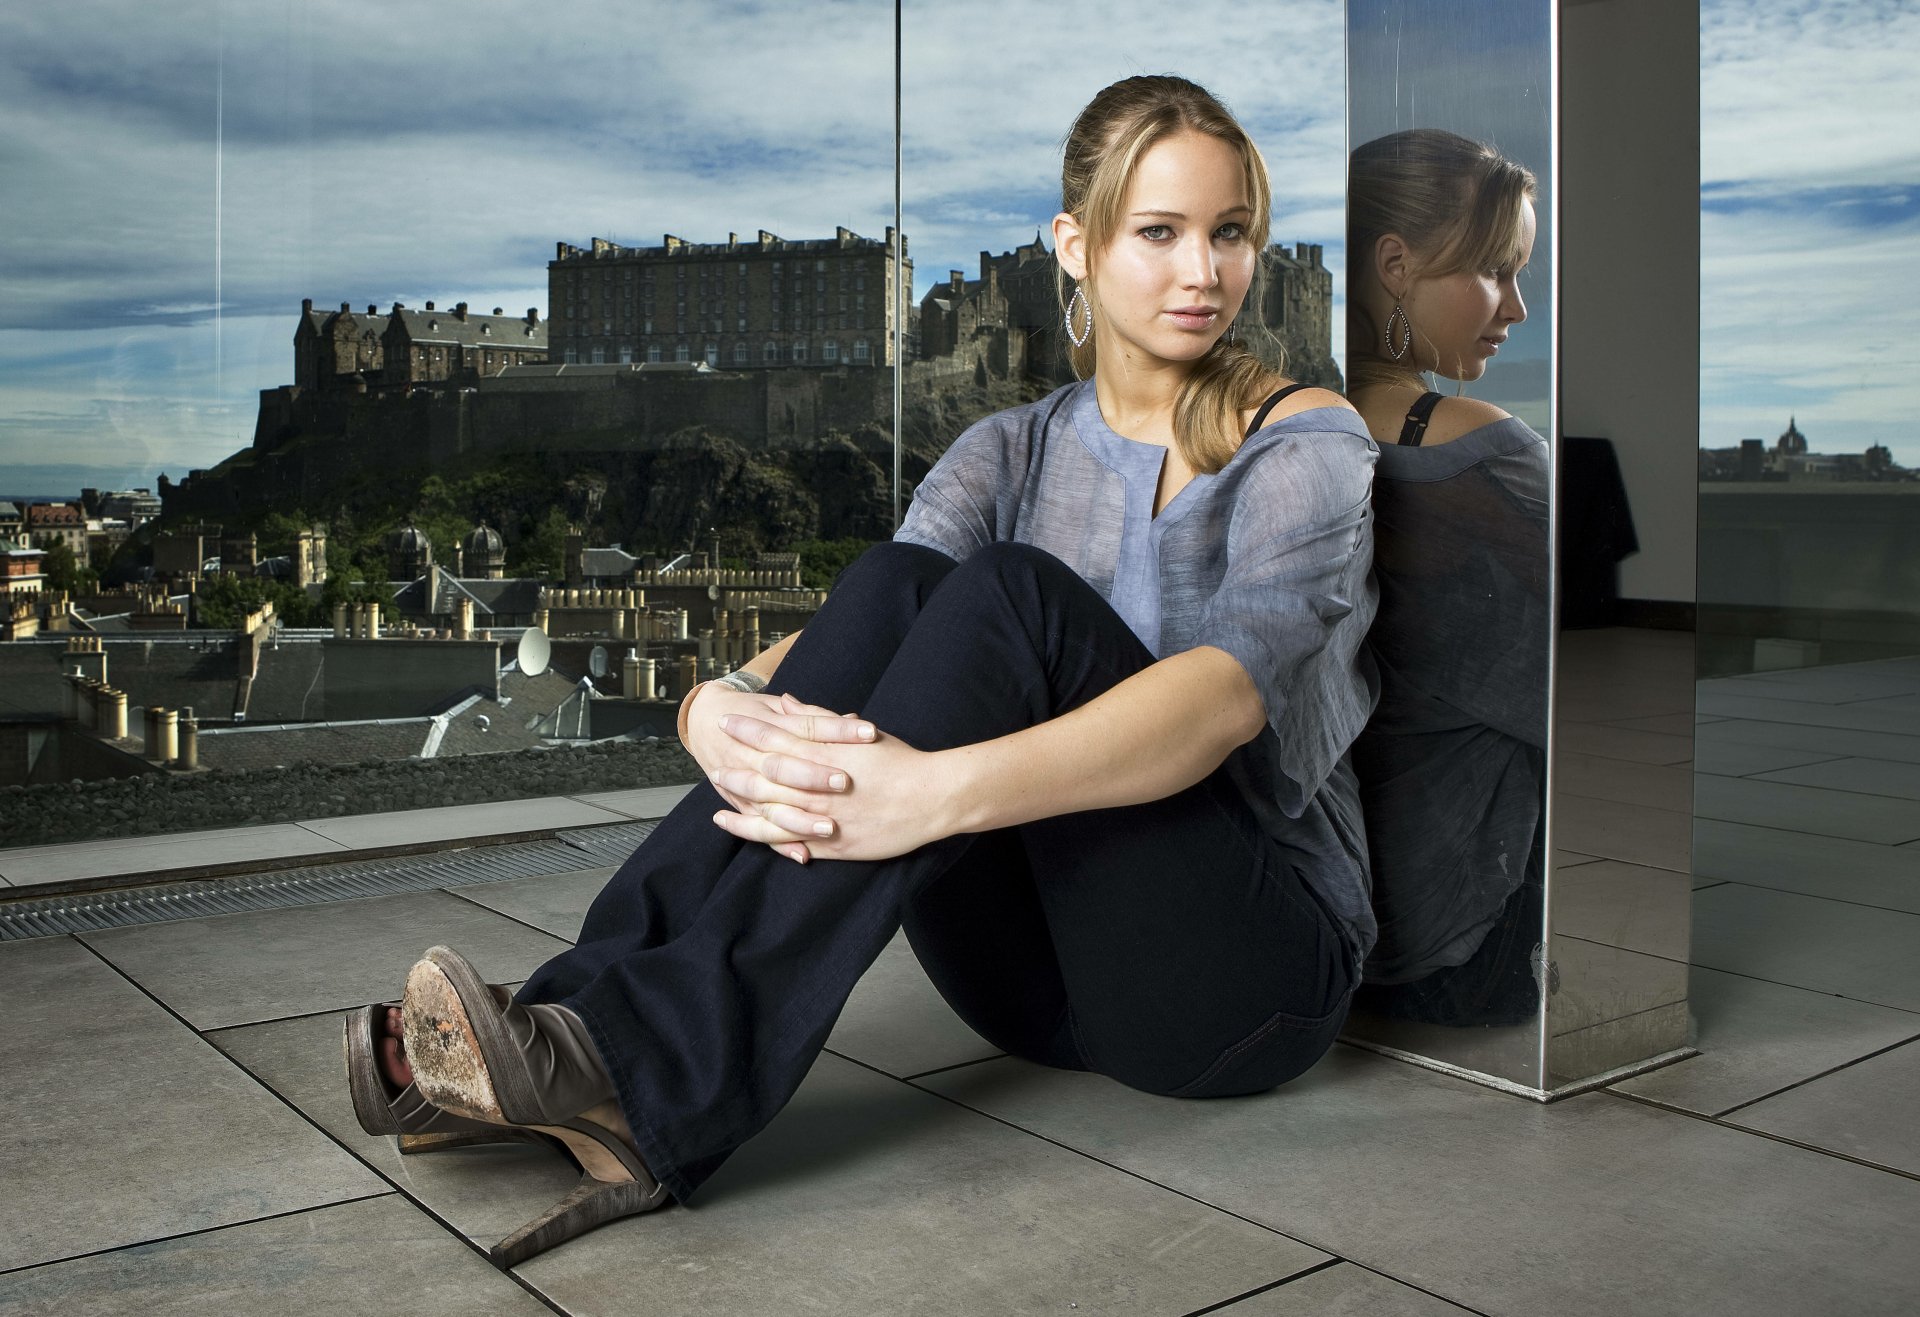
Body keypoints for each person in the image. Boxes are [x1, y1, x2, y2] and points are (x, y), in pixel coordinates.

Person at [345, 75, 1379, 1265]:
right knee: (898, 582)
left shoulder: (1305, 442)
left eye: (1229, 233)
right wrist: (714, 704)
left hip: (1241, 986)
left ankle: (639, 1079)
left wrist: (932, 794)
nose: (1203, 271)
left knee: (1013, 595)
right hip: (1030, 985)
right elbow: (860, 627)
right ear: (1076, 245)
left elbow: (1223, 703)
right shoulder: (1009, 445)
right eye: (1160, 232)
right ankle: (575, 1020)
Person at [1341, 129, 1550, 1027]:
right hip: (1462, 938)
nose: (1518, 306)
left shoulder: (1281, 433)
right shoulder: (1481, 450)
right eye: (1498, 270)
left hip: (1327, 923)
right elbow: (1574, 704)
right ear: (1396, 262)